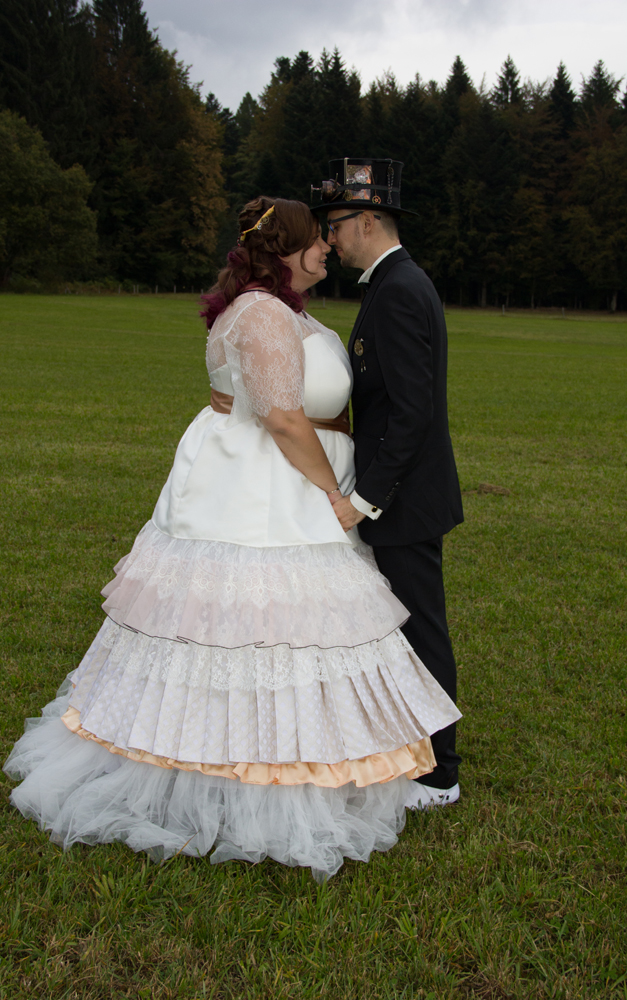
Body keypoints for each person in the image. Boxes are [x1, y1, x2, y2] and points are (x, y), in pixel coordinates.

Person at [4, 196, 460, 881]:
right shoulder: (264, 314)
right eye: (317, 241)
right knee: (260, 627)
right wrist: (336, 495)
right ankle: (242, 767)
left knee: (290, 633)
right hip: (272, 490)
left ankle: (312, 744)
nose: (327, 249)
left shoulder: (283, 310)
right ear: (287, 251)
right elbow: (280, 416)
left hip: (290, 482)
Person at [311, 159, 464, 805]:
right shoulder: (390, 283)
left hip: (401, 497)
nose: (328, 239)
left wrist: (364, 500)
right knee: (405, 625)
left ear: (367, 219)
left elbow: (410, 412)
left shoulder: (398, 288)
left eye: (335, 225)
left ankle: (439, 772)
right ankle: (410, 750)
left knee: (419, 628)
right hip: (398, 491)